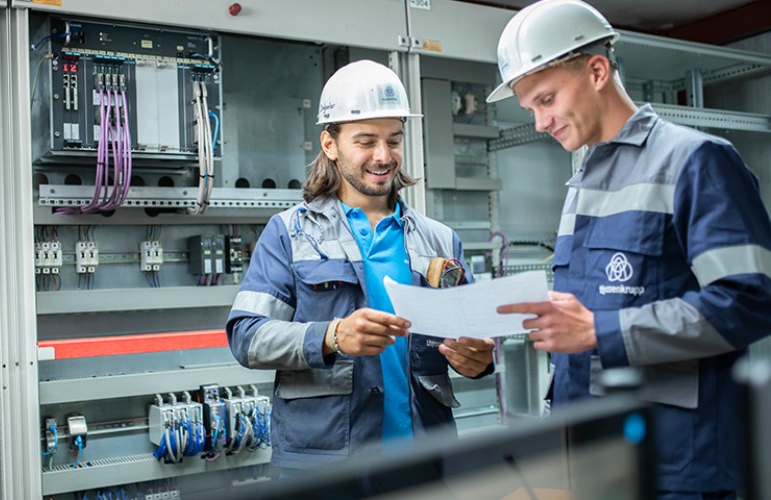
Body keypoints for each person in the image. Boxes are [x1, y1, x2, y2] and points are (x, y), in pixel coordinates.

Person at [488, 0, 771, 498]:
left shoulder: (696, 160)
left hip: (679, 465)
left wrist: (601, 329)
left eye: (547, 99)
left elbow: (749, 299)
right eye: (530, 108)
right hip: (596, 457)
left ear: (596, 71)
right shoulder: (580, 184)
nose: (539, 122)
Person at [225, 59, 495, 471]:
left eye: (394, 139)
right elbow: (247, 337)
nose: (384, 156)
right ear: (329, 144)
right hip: (325, 464)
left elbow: (475, 337)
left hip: (423, 457)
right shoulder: (289, 233)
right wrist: (332, 335)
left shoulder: (439, 238)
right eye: (366, 141)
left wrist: (480, 360)